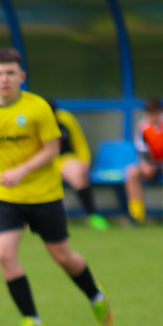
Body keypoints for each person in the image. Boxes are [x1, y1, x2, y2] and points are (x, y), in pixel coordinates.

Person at [0, 47, 112, 326]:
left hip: (45, 194)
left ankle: (96, 297)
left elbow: (53, 149)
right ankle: (31, 321)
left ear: (21, 76)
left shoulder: (38, 108)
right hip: (7, 196)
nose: (4, 79)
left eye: (10, 73)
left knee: (62, 257)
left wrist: (20, 171)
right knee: (3, 254)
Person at [45, 98, 109, 230]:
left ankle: (93, 215)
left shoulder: (66, 119)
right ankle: (34, 220)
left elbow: (79, 141)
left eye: (54, 115)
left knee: (77, 174)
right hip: (43, 162)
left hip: (65, 158)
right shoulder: (34, 123)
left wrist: (84, 160)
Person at [125, 97, 163, 224]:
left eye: (154, 112)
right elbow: (141, 148)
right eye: (148, 112)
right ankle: (137, 215)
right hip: (151, 163)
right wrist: (146, 164)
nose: (151, 116)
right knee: (131, 172)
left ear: (161, 111)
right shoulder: (142, 125)